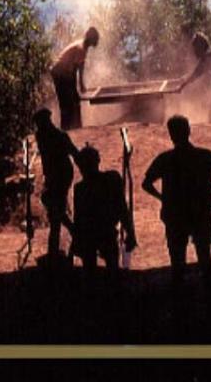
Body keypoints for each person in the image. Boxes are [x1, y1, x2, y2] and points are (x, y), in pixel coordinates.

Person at [142, 114, 211, 289]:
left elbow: (146, 184)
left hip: (175, 214)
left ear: (171, 135)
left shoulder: (165, 159)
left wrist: (163, 198)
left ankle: (181, 301)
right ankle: (209, 299)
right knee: (204, 257)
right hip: (200, 211)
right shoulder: (204, 156)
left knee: (177, 262)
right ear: (189, 131)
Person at [73, 144, 137, 273]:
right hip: (103, 233)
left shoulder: (82, 188)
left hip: (93, 235)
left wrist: (77, 240)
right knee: (109, 269)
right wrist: (130, 232)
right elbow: (122, 208)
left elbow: (79, 218)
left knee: (93, 271)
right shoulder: (111, 179)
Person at [33, 108, 79, 258]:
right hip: (55, 177)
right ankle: (73, 232)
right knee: (55, 211)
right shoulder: (45, 136)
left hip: (61, 176)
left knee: (55, 214)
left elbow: (74, 153)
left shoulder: (56, 136)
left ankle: (55, 250)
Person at [50, 27, 100, 130]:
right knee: (67, 104)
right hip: (60, 72)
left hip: (63, 72)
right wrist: (76, 88)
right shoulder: (80, 48)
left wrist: (80, 85)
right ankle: (68, 130)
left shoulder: (83, 48)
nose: (96, 41)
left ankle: (76, 127)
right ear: (91, 38)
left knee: (74, 101)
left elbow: (80, 66)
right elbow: (72, 71)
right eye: (95, 38)